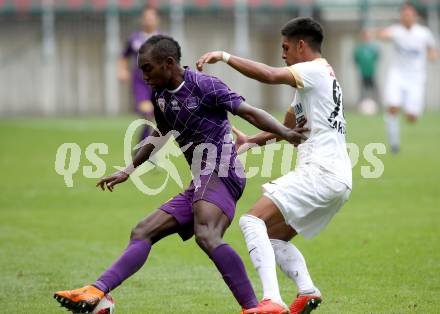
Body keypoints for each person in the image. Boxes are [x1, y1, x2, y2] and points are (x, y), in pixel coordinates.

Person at [53, 35, 308, 314]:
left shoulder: (205, 85)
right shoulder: (160, 95)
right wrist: (129, 169)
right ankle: (97, 292)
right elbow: (160, 134)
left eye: (147, 68)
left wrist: (285, 133)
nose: (143, 75)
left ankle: (253, 308)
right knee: (143, 231)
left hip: (223, 171)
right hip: (202, 179)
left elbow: (248, 112)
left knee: (207, 233)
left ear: (169, 63)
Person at [197, 17, 352, 314]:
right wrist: (251, 142)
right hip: (338, 179)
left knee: (250, 221)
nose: (283, 54)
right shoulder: (320, 80)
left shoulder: (312, 71)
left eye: (285, 47)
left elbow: (268, 74)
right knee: (273, 238)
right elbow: (287, 129)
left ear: (302, 46)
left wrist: (225, 57)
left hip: (321, 172)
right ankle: (306, 291)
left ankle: (272, 301)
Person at [370, 2, 437, 153]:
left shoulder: (423, 33)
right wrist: (373, 33)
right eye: (403, 15)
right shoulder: (397, 31)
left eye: (409, 15)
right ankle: (394, 144)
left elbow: (432, 49)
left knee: (411, 117)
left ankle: (411, 112)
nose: (406, 17)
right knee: (392, 107)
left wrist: (432, 55)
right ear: (401, 17)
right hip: (397, 75)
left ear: (414, 16)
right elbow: (384, 34)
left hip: (416, 78)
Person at [118, 6, 161, 147]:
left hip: (158, 82)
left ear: (157, 20)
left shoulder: (163, 39)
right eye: (146, 18)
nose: (149, 20)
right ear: (142, 20)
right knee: (147, 113)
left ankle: (142, 148)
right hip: (140, 82)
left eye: (151, 18)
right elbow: (124, 56)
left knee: (155, 117)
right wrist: (122, 70)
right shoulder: (134, 39)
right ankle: (146, 150)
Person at [353, 29, 380, 115]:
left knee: (374, 90)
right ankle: (361, 107)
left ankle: (377, 106)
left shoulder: (373, 48)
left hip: (371, 73)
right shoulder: (359, 49)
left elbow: (377, 57)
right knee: (362, 92)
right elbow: (356, 59)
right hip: (362, 73)